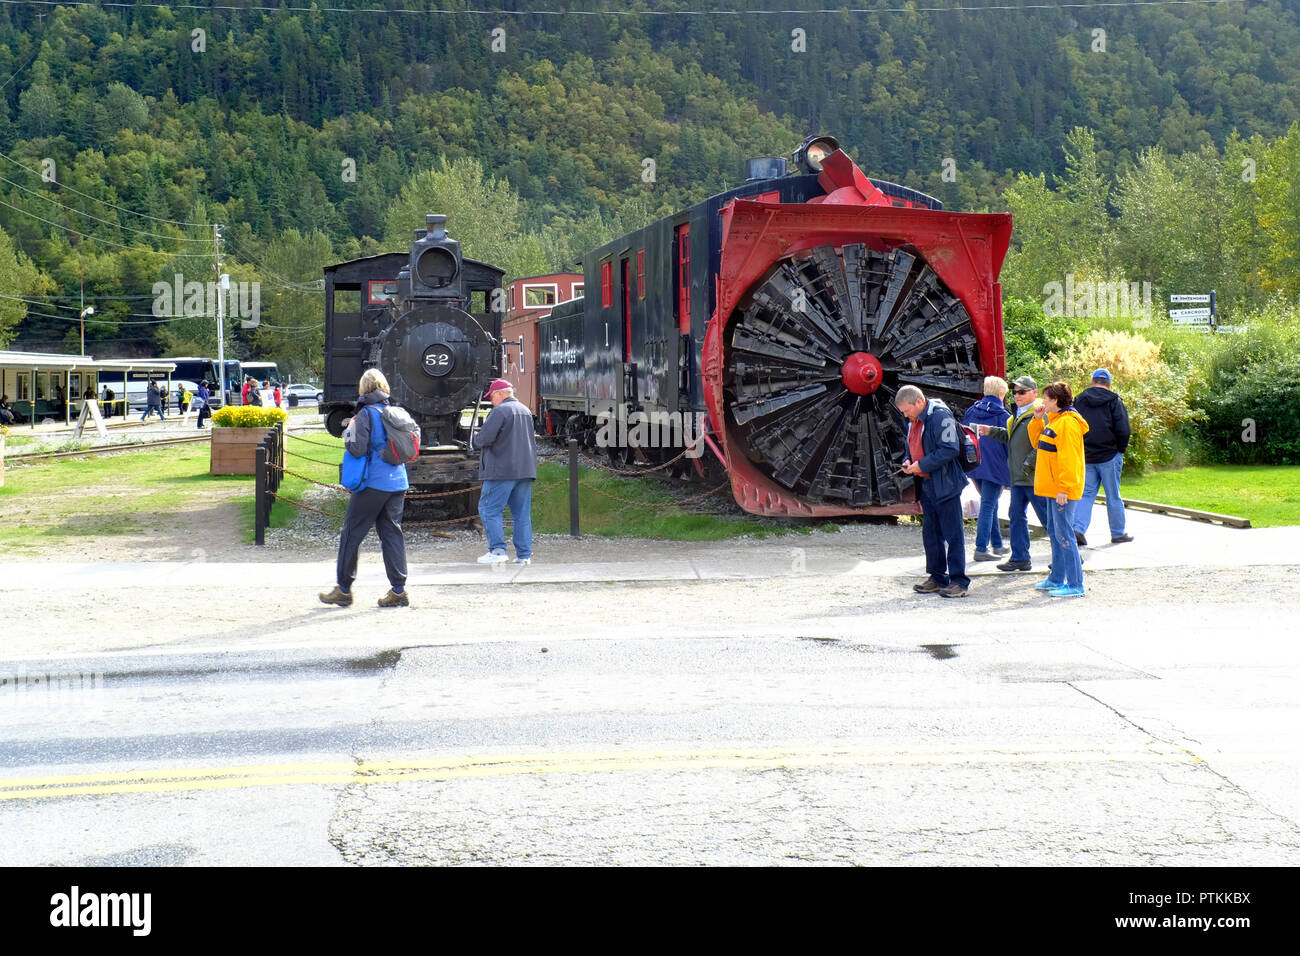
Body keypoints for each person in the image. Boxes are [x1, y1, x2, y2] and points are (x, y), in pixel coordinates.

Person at [320, 368, 410, 609]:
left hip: (373, 482)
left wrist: (349, 431)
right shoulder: (395, 411)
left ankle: (344, 589)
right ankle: (398, 591)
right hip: (398, 480)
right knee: (392, 533)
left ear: (363, 388)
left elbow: (357, 449)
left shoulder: (366, 414)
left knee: (351, 534)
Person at [897, 384, 970, 598]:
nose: (905, 415)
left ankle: (959, 581)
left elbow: (950, 449)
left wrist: (922, 465)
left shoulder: (940, 416)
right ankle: (937, 577)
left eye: (906, 410)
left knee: (952, 533)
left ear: (919, 402)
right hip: (927, 484)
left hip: (945, 483)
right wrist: (907, 460)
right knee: (931, 533)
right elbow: (910, 446)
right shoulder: (914, 419)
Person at [977, 375, 1049, 572]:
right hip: (1018, 478)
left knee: (1048, 520)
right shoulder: (1016, 415)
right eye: (1015, 391)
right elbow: (1011, 437)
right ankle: (1020, 558)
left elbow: (1045, 443)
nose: (1017, 395)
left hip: (1034, 478)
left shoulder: (1041, 413)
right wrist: (990, 431)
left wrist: (1028, 464)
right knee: (1016, 517)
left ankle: (1069, 557)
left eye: (1022, 391)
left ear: (1034, 392)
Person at [1026, 382, 1089, 597]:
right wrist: (1037, 420)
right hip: (1053, 489)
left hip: (1062, 491)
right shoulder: (1055, 422)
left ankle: (1075, 584)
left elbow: (1069, 459)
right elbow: (1038, 444)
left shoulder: (1068, 424)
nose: (1042, 401)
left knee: (1065, 535)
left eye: (1046, 398)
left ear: (1055, 400)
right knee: (1056, 532)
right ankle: (1056, 578)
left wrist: (1064, 488)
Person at [472, 378, 537, 565]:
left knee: (489, 509)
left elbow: (484, 439)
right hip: (524, 470)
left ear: (500, 394)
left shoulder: (500, 411)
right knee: (521, 513)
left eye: (492, 397)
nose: (491, 401)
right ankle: (524, 555)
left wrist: (477, 437)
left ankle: (497, 550)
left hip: (501, 470)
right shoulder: (525, 410)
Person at [1073, 368, 1133, 545]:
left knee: (1086, 494)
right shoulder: (1114, 400)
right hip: (1109, 455)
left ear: (1092, 382)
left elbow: (1073, 426)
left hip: (1087, 456)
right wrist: (1119, 450)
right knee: (1113, 495)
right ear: (1109, 384)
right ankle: (1117, 533)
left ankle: (1078, 529)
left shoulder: (1080, 400)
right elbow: (1123, 429)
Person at [962, 376, 1012, 562]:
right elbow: (1009, 443)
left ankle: (997, 545)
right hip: (995, 466)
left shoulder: (971, 411)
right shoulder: (1003, 416)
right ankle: (981, 548)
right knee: (988, 505)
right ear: (1001, 394)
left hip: (975, 462)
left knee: (989, 503)